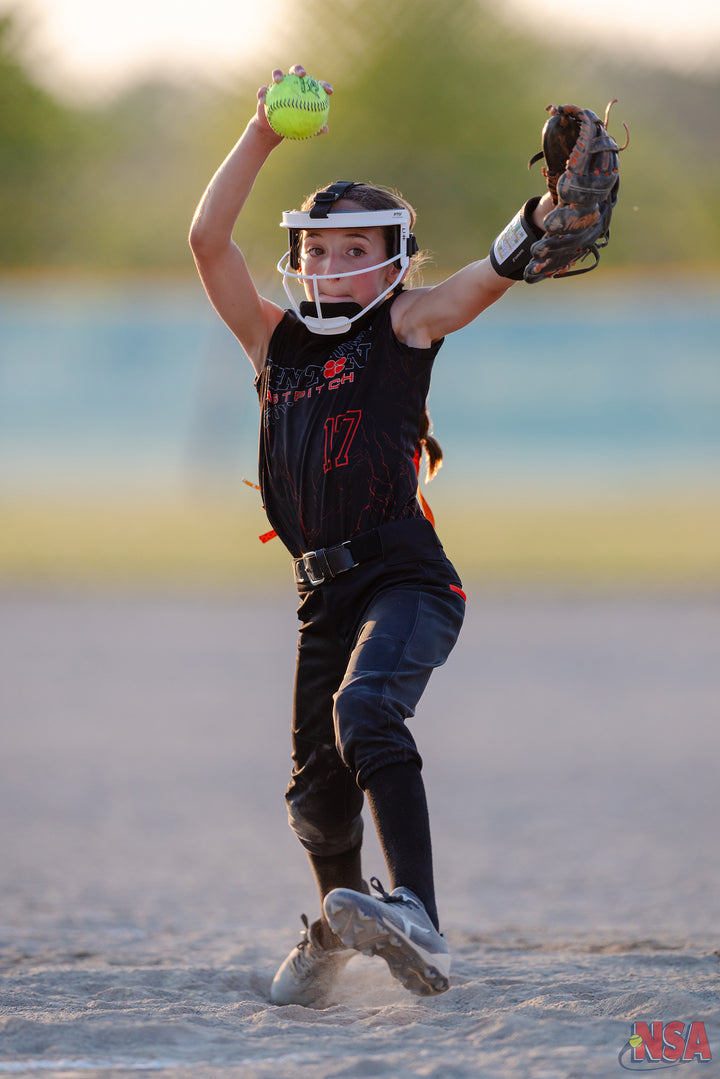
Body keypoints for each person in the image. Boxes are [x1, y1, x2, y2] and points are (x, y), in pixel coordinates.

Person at [189, 64, 554, 1007]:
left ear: (394, 261)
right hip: (323, 592)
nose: (334, 262)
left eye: (359, 247)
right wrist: (262, 133)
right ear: (300, 259)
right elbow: (207, 239)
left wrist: (536, 226)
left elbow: (479, 282)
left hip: (406, 575)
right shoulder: (275, 343)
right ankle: (338, 926)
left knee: (367, 716)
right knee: (315, 797)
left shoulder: (404, 324)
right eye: (320, 249)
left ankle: (420, 916)